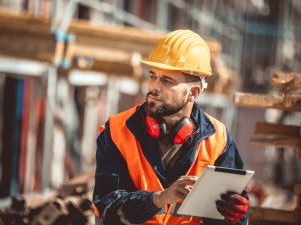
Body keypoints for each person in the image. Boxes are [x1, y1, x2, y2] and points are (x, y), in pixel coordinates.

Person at [93, 30, 249, 225]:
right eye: (153, 76)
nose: (154, 87)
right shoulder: (116, 131)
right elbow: (107, 209)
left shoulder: (219, 139)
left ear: (193, 92)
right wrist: (159, 198)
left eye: (167, 81)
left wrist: (233, 214)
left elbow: (235, 214)